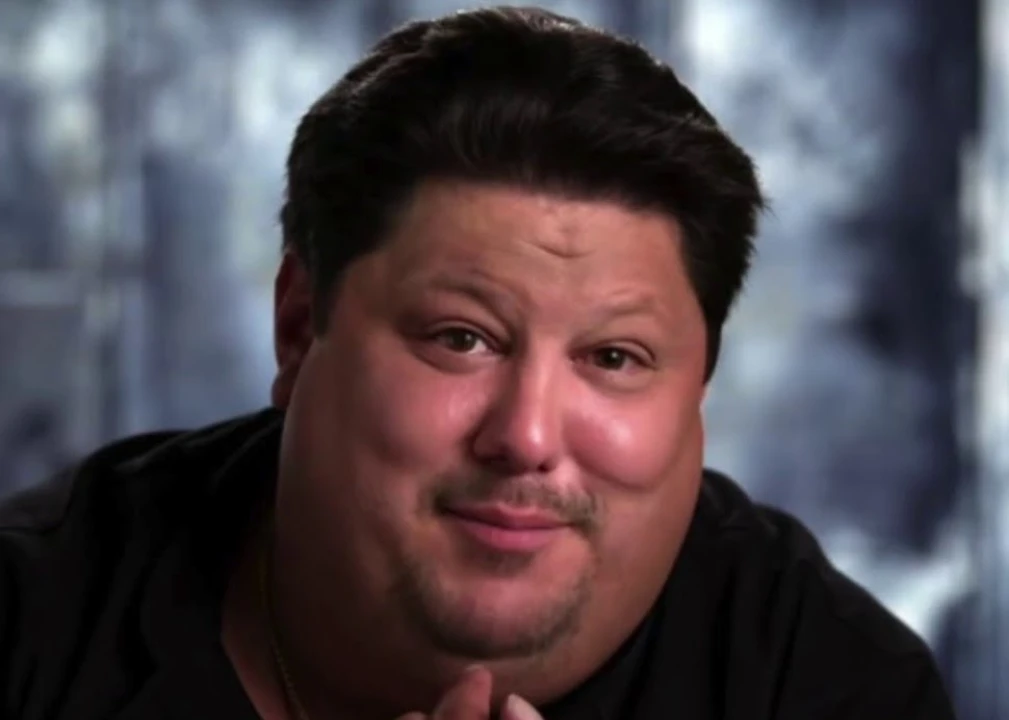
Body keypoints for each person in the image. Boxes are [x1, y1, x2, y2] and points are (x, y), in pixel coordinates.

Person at [0, 6, 956, 720]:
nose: (526, 436)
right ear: (298, 328)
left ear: (697, 388)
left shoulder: (825, 682)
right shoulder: (31, 626)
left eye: (613, 357)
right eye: (461, 338)